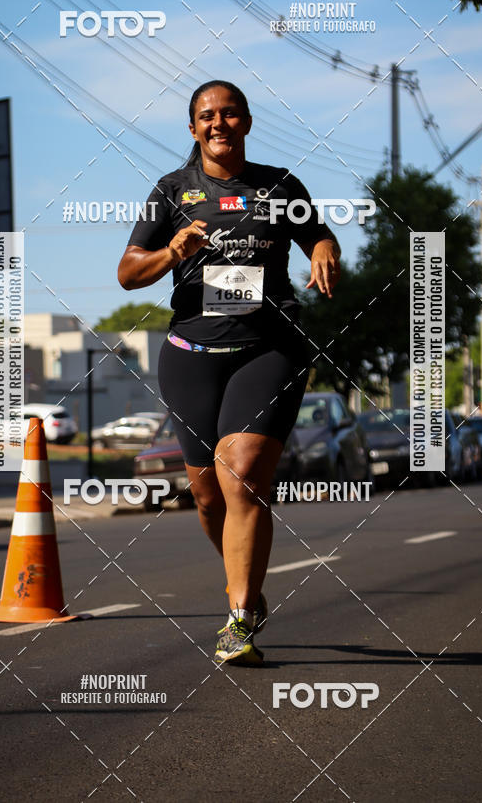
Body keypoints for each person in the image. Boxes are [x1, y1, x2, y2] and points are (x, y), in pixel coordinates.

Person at [118, 80, 341, 665]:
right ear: (193, 129)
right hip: (191, 354)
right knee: (210, 499)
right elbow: (128, 272)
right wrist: (174, 252)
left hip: (269, 347)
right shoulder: (170, 192)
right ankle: (243, 579)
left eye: (229, 113)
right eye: (206, 116)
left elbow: (316, 229)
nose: (218, 123)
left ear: (246, 122)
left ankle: (238, 617)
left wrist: (322, 246)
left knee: (241, 473)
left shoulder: (280, 186)